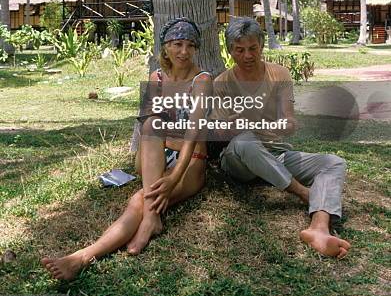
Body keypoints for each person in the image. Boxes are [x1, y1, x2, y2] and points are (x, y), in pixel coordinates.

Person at [42, 18, 212, 280]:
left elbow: (193, 135)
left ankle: (82, 257)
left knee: (138, 201)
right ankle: (152, 218)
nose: (184, 52)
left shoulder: (202, 80)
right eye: (178, 44)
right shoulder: (156, 77)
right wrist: (146, 161)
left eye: (191, 46)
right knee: (152, 123)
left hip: (190, 162)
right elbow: (146, 126)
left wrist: (175, 177)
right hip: (156, 158)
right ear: (165, 46)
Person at [211, 17, 351, 259]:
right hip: (239, 161)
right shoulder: (221, 83)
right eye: (239, 50)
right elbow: (219, 134)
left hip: (276, 153)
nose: (247, 55)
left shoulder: (280, 74)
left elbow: (290, 122)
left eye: (252, 48)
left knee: (334, 162)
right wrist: (233, 124)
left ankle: (318, 227)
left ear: (262, 46)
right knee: (245, 141)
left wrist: (270, 124)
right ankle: (305, 194)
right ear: (230, 50)